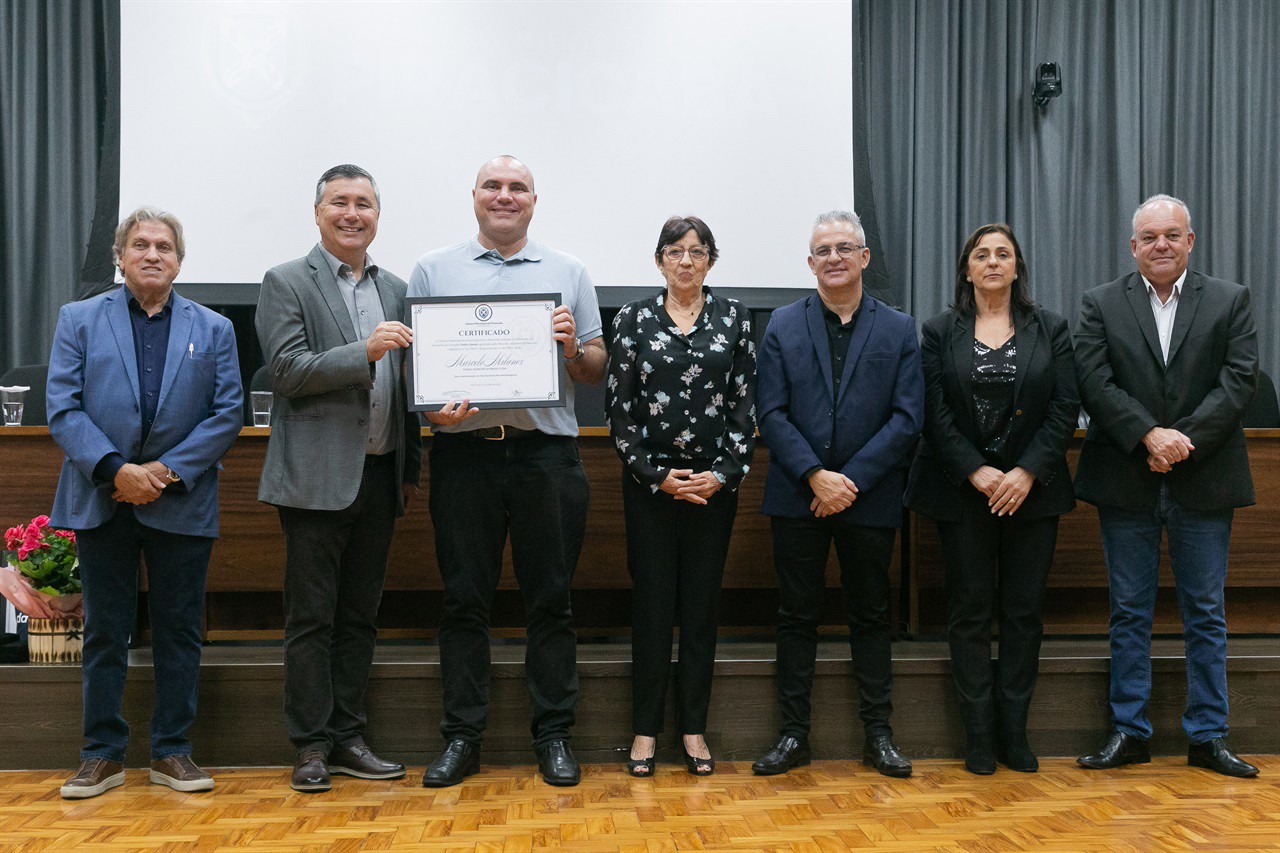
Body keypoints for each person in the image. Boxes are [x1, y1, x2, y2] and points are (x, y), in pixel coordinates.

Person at [408, 155, 606, 787]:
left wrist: (572, 346)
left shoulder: (568, 271)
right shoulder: (433, 270)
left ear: (533, 200)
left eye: (516, 187)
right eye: (492, 186)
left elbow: (595, 366)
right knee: (464, 600)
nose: (504, 196)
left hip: (545, 458)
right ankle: (462, 737)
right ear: (473, 198)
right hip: (465, 457)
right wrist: (434, 413)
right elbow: (418, 374)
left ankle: (554, 736)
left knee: (551, 600)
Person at [47, 206, 243, 798]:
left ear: (180, 260)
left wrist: (163, 471)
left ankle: (172, 752)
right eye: (140, 244)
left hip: (180, 499)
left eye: (164, 246)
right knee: (106, 630)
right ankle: (101, 754)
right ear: (120, 255)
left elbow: (228, 411)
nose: (152, 254)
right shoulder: (78, 318)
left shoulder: (214, 328)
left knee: (179, 631)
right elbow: (63, 404)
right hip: (102, 497)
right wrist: (115, 470)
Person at [1074, 195, 1260, 778]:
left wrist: (1180, 440)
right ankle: (1130, 731)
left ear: (1190, 240)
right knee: (1129, 609)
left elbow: (1239, 379)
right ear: (1133, 247)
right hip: (1126, 475)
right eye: (1149, 236)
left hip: (1202, 477)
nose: (1160, 244)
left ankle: (1207, 736)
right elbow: (1093, 380)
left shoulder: (1231, 300)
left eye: (1171, 235)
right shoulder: (1101, 303)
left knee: (1205, 610)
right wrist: (1148, 435)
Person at [256, 164, 422, 793]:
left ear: (378, 215)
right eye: (340, 203)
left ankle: (350, 736)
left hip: (380, 476)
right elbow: (288, 371)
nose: (353, 214)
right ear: (318, 212)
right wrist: (366, 351)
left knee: (360, 617)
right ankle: (310, 747)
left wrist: (413, 463)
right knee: (311, 619)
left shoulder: (398, 286)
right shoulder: (286, 280)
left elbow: (409, 389)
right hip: (314, 482)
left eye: (365, 204)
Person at [751, 210, 923, 778]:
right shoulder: (781, 324)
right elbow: (770, 412)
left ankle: (879, 735)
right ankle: (792, 735)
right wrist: (814, 477)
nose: (834, 258)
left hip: (869, 497)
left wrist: (849, 480)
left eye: (844, 248)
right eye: (822, 250)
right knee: (796, 616)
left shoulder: (898, 329)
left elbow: (906, 417)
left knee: (870, 615)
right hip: (797, 495)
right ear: (809, 262)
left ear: (865, 257)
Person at [904, 224, 1078, 775]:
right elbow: (932, 412)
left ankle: (1014, 734)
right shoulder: (937, 332)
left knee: (1024, 615)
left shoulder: (1051, 328)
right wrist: (976, 471)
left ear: (1018, 266)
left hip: (1034, 494)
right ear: (967, 269)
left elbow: (1064, 408)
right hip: (964, 494)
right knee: (970, 614)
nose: (993, 262)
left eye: (1003, 254)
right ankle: (978, 737)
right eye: (982, 255)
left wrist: (1026, 472)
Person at [606, 216, 756, 777]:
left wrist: (721, 473)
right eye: (675, 251)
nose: (686, 260)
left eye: (697, 251)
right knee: (652, 603)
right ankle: (645, 730)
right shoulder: (632, 319)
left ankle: (693, 728)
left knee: (699, 604)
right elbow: (618, 411)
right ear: (659, 260)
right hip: (650, 485)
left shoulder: (736, 319)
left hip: (714, 488)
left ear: (711, 260)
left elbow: (744, 406)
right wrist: (656, 475)